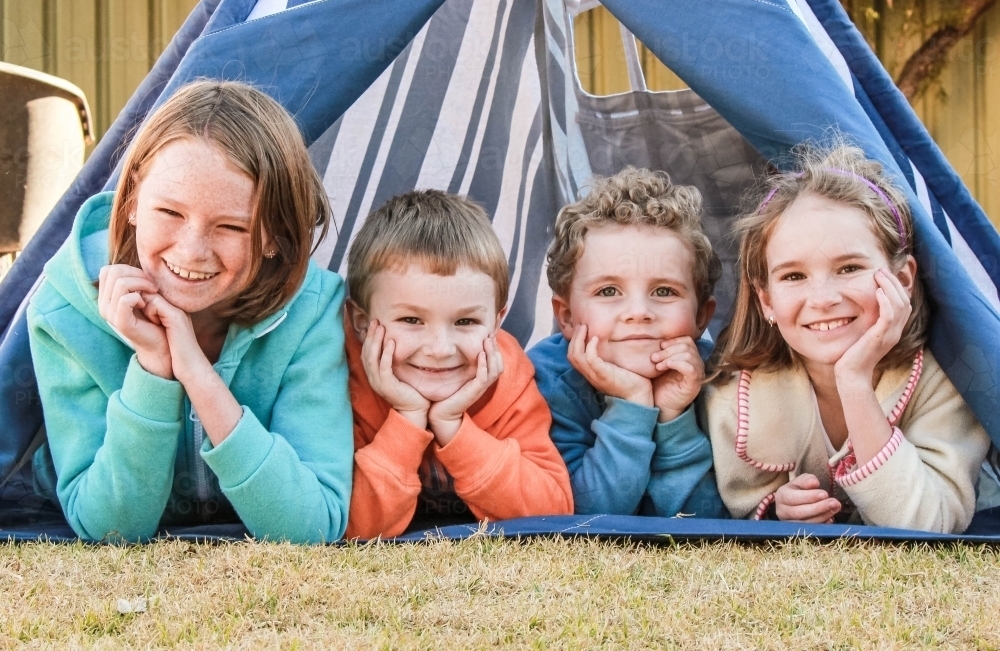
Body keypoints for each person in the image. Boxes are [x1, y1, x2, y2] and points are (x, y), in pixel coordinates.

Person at [28, 80, 354, 543]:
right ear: (135, 196)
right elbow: (109, 528)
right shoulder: (65, 311)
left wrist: (197, 374)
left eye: (230, 226)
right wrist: (153, 370)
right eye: (170, 212)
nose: (192, 250)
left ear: (274, 235)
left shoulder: (312, 311)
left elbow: (311, 525)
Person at [704, 144, 990, 533]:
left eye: (849, 267)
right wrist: (776, 512)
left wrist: (854, 379)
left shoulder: (946, 380)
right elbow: (740, 505)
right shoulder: (738, 397)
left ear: (903, 280)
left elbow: (927, 524)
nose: (823, 299)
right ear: (766, 299)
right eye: (793, 276)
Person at [344, 190, 573, 539]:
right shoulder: (341, 381)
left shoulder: (508, 382)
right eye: (411, 320)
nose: (439, 349)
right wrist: (407, 418)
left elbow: (552, 513)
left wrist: (453, 427)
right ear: (362, 322)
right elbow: (351, 526)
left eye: (465, 322)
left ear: (497, 323)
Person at [528, 167, 727, 518]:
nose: (638, 312)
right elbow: (584, 519)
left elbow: (709, 526)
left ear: (701, 318)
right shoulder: (542, 383)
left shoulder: (720, 380)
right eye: (608, 291)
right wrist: (632, 405)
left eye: (664, 291)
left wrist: (673, 417)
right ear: (567, 318)